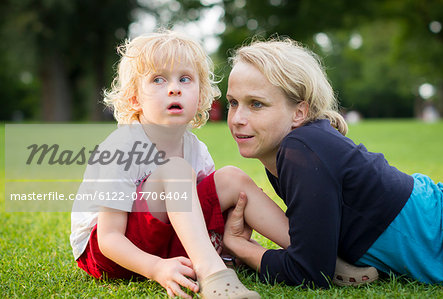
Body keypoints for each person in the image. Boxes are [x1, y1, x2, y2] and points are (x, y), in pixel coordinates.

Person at [70, 30, 293, 299]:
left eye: (185, 79)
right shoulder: (121, 148)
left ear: (200, 97)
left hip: (166, 237)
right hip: (111, 252)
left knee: (231, 177)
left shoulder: (197, 149)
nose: (174, 88)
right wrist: (156, 268)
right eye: (158, 79)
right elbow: (109, 240)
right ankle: (214, 276)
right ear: (134, 98)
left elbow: (200, 211)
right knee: (175, 170)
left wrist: (229, 234)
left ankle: (313, 251)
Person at [223, 37, 443, 288]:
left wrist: (240, 246)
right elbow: (312, 250)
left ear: (300, 112)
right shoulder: (286, 154)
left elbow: (307, 272)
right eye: (233, 103)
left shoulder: (302, 149)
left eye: (256, 104)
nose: (237, 119)